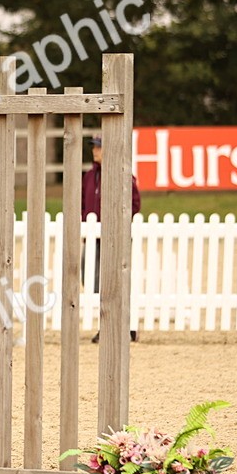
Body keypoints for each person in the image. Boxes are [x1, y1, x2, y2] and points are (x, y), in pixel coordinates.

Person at [83, 135, 141, 342]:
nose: (95, 151)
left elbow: (134, 203)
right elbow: (83, 203)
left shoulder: (122, 174)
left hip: (114, 237)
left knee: (114, 280)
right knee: (91, 277)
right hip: (93, 236)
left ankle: (117, 324)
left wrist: (119, 225)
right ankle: (112, 322)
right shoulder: (90, 176)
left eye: (99, 147)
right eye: (95, 147)